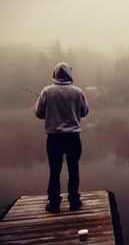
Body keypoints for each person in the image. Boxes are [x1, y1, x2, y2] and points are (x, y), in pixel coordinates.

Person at [34, 62, 89, 213]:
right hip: (73, 138)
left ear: (55, 74)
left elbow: (39, 113)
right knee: (74, 169)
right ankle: (74, 202)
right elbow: (84, 112)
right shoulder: (78, 92)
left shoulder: (46, 91)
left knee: (54, 171)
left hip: (54, 138)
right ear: (70, 74)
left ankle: (54, 204)